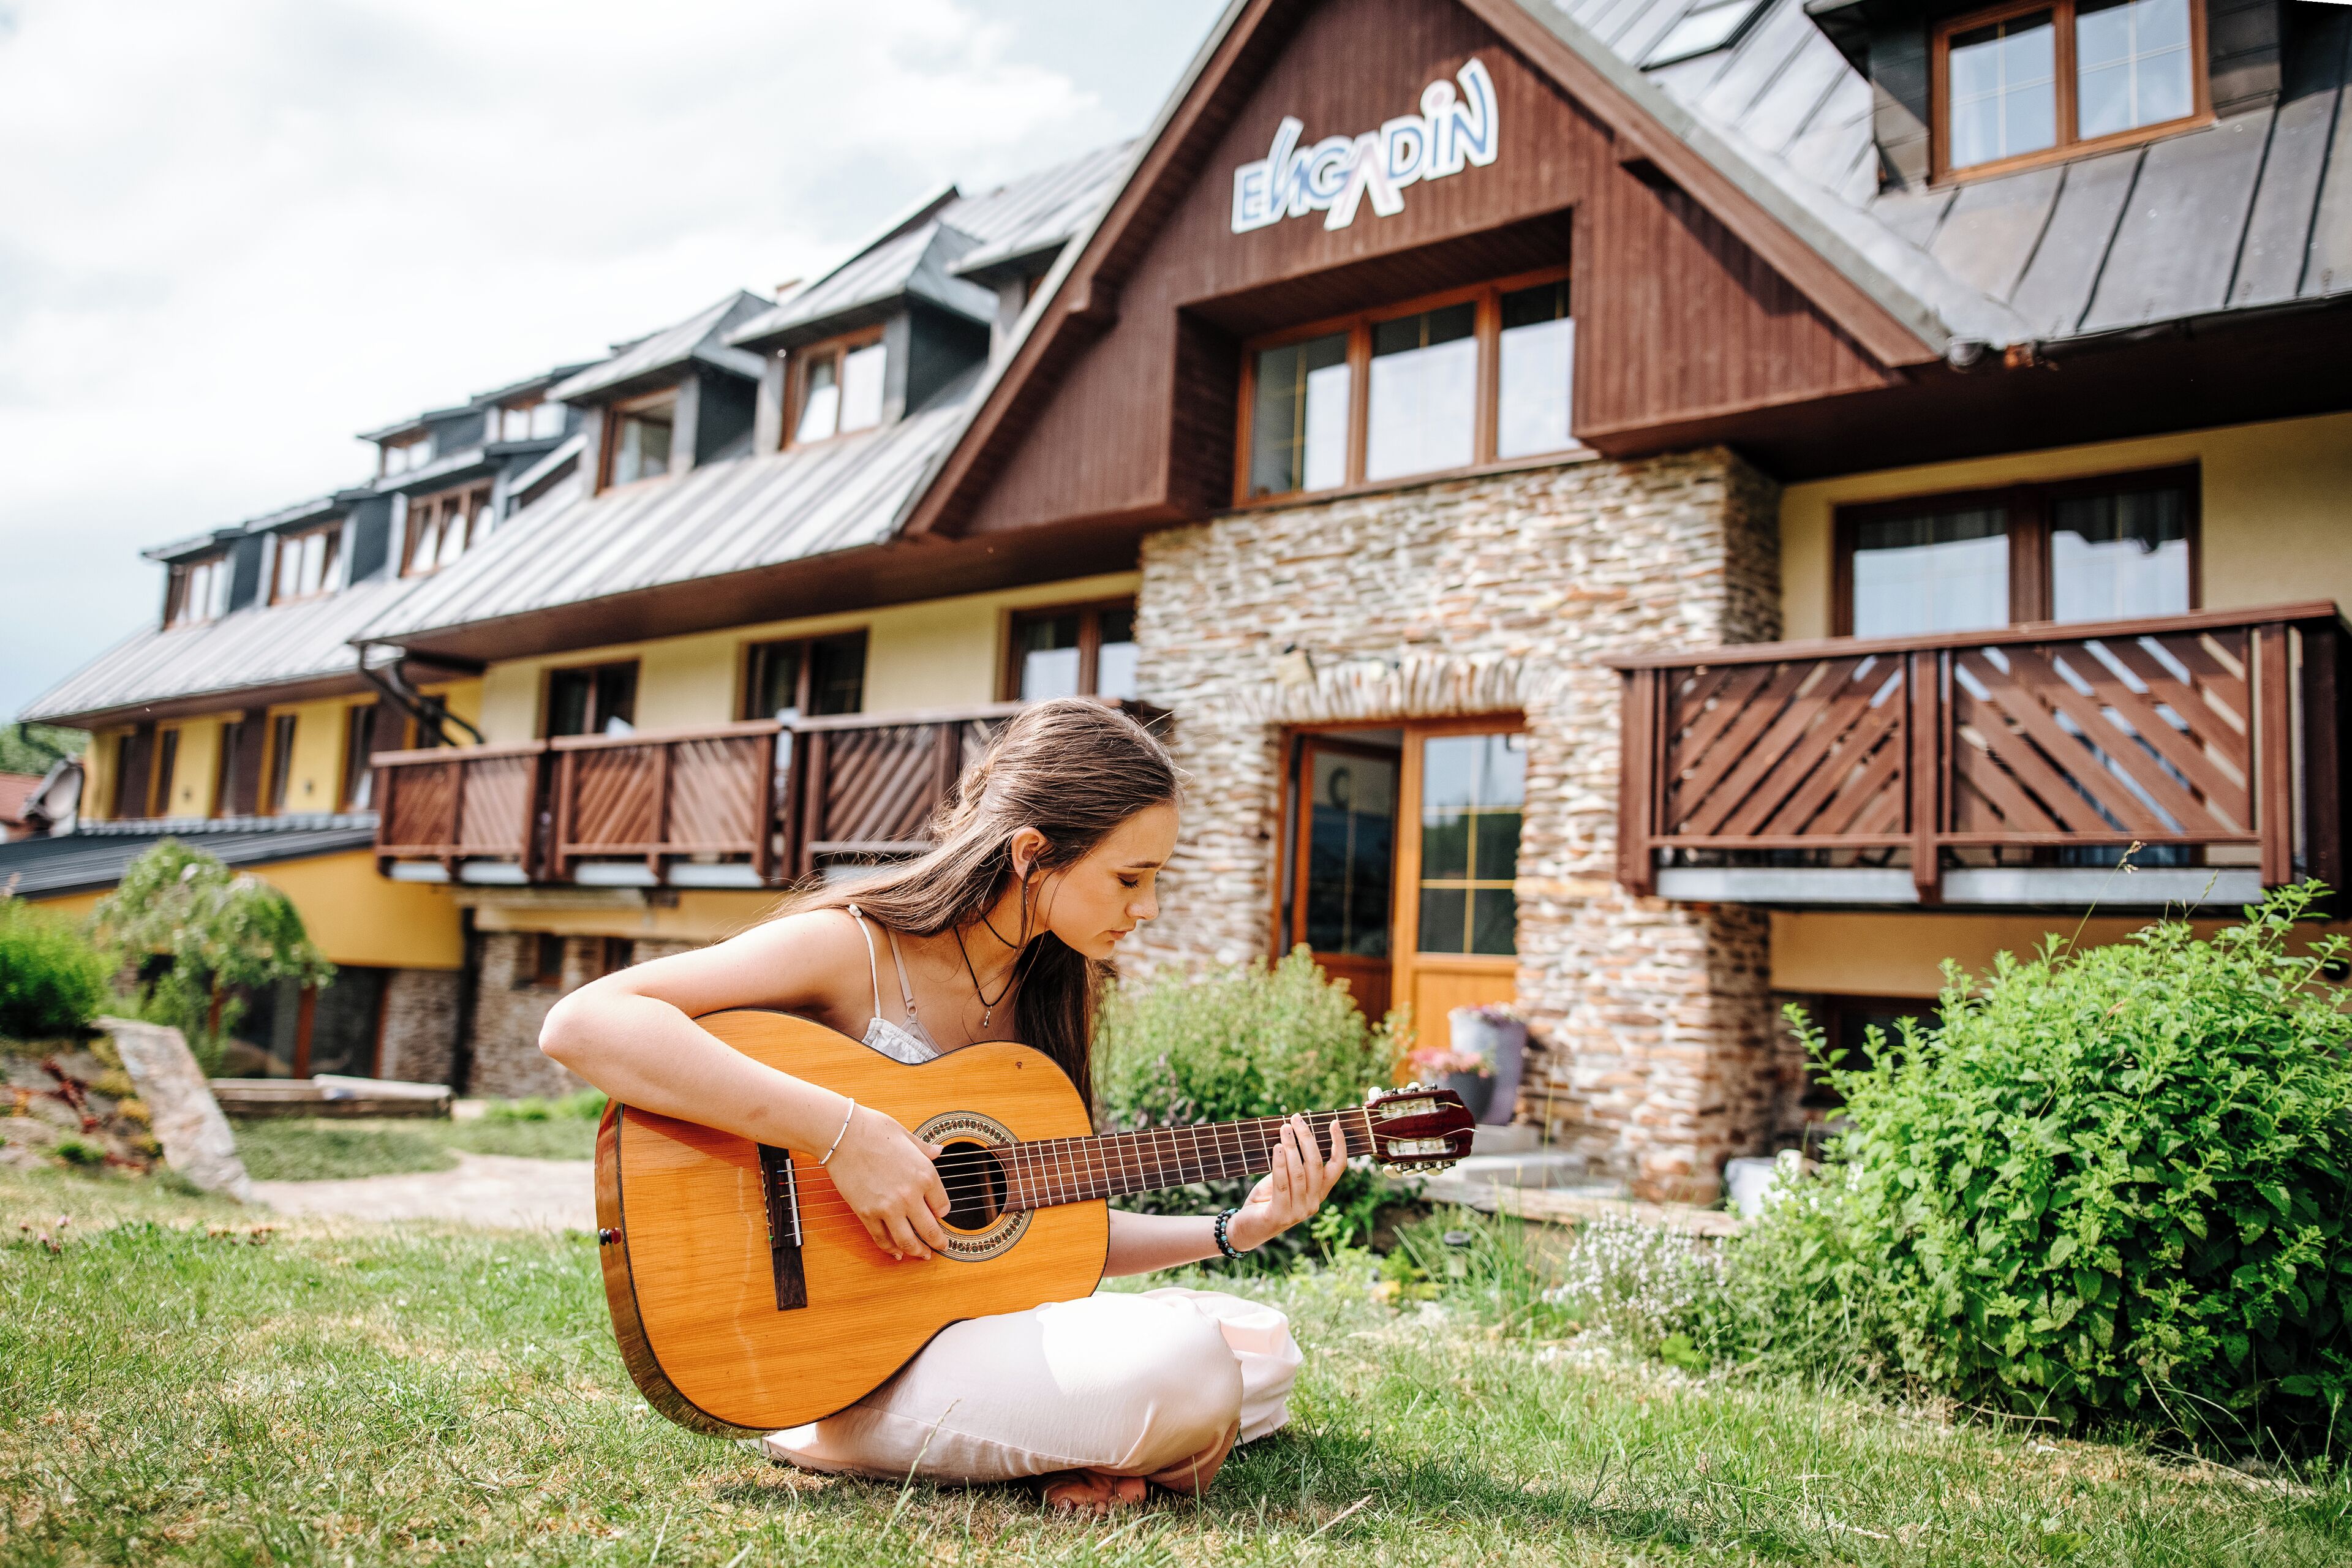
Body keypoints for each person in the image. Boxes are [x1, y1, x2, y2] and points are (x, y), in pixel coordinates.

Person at [540, 698, 1348, 1509]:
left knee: (1259, 1345)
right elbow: (583, 1023)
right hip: (843, 1352)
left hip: (960, 1332)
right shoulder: (853, 946)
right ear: (1032, 854)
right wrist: (842, 1134)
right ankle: (830, 1431)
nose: (1149, 908)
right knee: (1191, 1363)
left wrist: (1233, 1230)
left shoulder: (1050, 991)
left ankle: (1059, 1439)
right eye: (1130, 878)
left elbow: (1046, 1234)